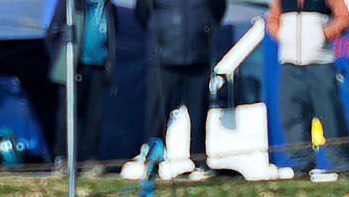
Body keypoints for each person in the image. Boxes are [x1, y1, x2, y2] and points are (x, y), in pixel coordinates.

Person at [135, 0, 226, 178]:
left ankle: (199, 162)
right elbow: (142, 11)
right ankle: (152, 161)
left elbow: (218, 8)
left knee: (199, 114)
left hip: (198, 54)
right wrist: (159, 32)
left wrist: (204, 28)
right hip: (163, 57)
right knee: (158, 115)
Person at [266, 0, 349, 180]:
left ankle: (343, 166)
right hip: (290, 65)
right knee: (292, 117)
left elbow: (344, 18)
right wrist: (280, 34)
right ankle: (301, 167)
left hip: (320, 64)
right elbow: (272, 19)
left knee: (330, 116)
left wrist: (323, 35)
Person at [44, 0, 117, 168]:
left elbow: (113, 36)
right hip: (75, 67)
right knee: (67, 115)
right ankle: (62, 157)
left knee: (94, 117)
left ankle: (91, 158)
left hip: (98, 68)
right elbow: (51, 34)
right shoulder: (72, 3)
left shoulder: (109, 7)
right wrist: (60, 61)